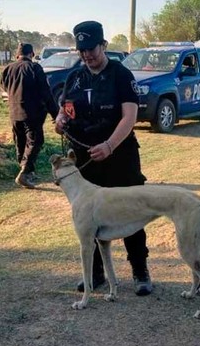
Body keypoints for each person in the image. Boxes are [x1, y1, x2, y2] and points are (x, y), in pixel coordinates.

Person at [54, 20, 152, 296]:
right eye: (82, 50)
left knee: (131, 210)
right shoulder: (74, 77)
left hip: (119, 155)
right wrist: (60, 121)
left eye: (91, 49)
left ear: (104, 45)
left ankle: (140, 270)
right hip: (85, 157)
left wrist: (109, 145)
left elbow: (129, 117)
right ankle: (95, 273)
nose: (87, 55)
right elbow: (65, 109)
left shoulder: (121, 74)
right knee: (89, 217)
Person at [0, 43, 58, 189]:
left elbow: (4, 86)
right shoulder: (34, 68)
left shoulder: (8, 68)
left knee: (20, 141)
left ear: (17, 55)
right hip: (32, 112)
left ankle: (26, 171)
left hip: (14, 111)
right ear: (32, 54)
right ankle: (25, 172)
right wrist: (55, 114)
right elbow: (46, 93)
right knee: (35, 141)